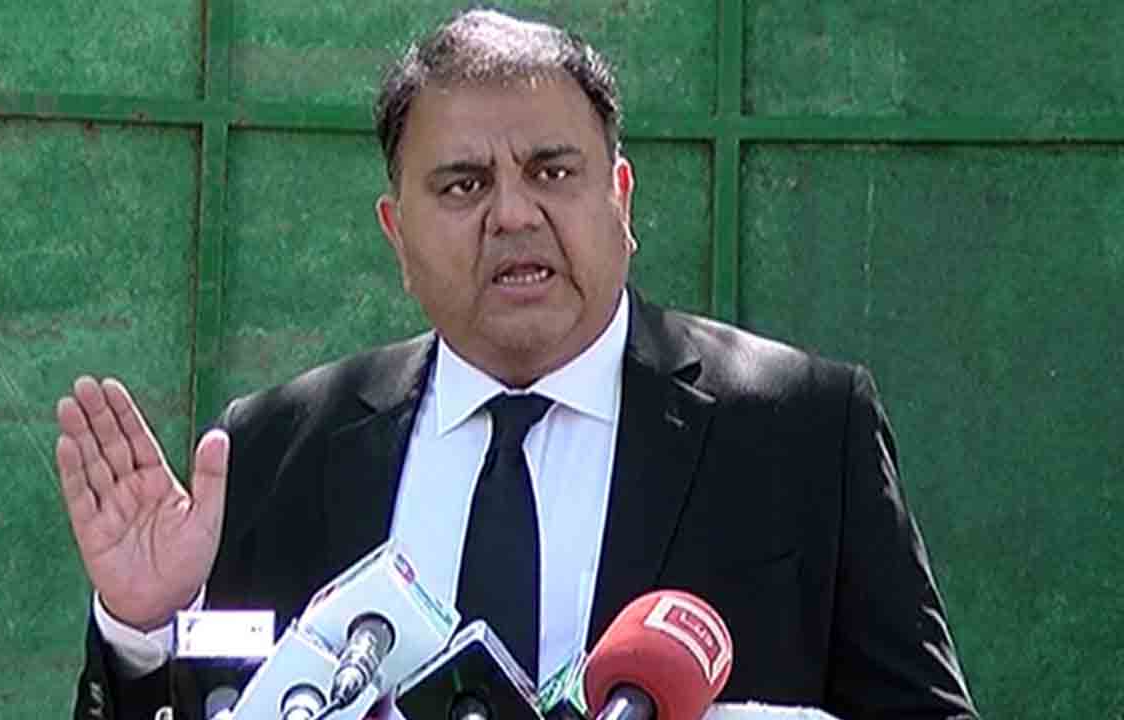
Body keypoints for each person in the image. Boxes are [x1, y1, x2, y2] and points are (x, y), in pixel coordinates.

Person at [57, 9, 978, 720]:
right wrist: (140, 634)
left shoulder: (803, 430)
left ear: (621, 200)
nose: (513, 214)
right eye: (463, 184)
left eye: (552, 172)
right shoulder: (274, 451)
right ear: (398, 235)